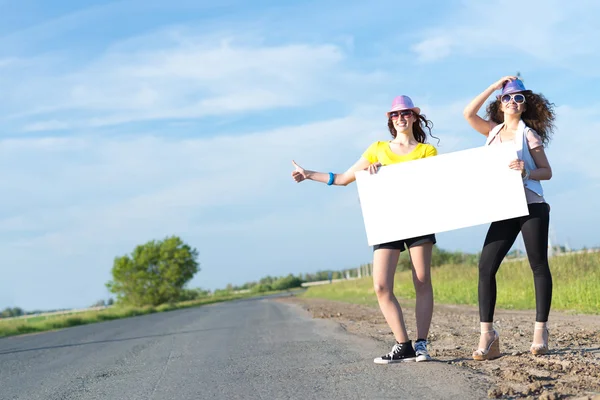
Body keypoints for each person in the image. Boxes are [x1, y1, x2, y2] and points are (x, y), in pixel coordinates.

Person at [291, 95, 439, 364]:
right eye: (395, 115)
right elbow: (345, 178)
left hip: (417, 219)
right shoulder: (377, 149)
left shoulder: (426, 152)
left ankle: (421, 345)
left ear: (414, 117)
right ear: (390, 120)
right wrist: (309, 173)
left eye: (405, 113)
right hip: (386, 220)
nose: (400, 118)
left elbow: (429, 184)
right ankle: (402, 344)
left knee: (421, 280)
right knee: (381, 285)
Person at [463, 76, 555, 360]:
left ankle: (541, 331)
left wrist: (526, 171)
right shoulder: (491, 131)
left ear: (524, 105)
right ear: (500, 104)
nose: (513, 102)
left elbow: (546, 172)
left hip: (530, 205)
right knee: (485, 267)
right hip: (503, 208)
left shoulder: (529, 135)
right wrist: (492, 86)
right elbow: (467, 114)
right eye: (507, 98)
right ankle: (488, 335)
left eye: (518, 98)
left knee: (537, 264)